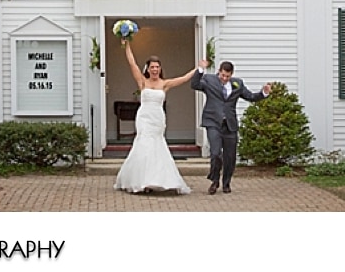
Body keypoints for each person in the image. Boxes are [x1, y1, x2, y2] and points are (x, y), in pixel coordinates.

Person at [113, 38, 199, 195]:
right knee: (144, 144)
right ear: (148, 68)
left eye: (157, 67)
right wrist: (127, 45)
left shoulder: (165, 84)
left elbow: (185, 78)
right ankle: (143, 180)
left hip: (157, 118)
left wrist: (198, 68)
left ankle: (158, 179)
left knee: (157, 145)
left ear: (160, 69)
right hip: (144, 117)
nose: (155, 70)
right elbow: (132, 63)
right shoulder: (142, 82)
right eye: (152, 67)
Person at [190, 59, 272, 195]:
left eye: (227, 76)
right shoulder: (209, 80)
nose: (224, 78)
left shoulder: (237, 83)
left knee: (230, 156)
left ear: (231, 74)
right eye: (222, 75)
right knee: (216, 153)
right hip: (213, 122)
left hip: (230, 125)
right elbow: (195, 85)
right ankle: (214, 181)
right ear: (219, 72)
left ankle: (226, 183)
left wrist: (263, 93)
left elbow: (250, 96)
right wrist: (200, 70)